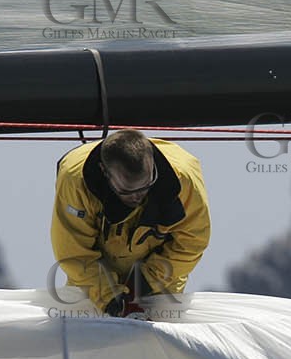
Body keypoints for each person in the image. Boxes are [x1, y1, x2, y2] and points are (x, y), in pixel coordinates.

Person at [50, 129, 210, 317]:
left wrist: (142, 286)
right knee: (91, 340)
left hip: (161, 283)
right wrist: (110, 299)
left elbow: (192, 243)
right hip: (92, 284)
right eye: (127, 191)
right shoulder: (76, 182)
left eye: (146, 187)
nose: (138, 196)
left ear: (153, 166)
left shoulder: (183, 180)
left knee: (157, 340)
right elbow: (73, 252)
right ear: (104, 172)